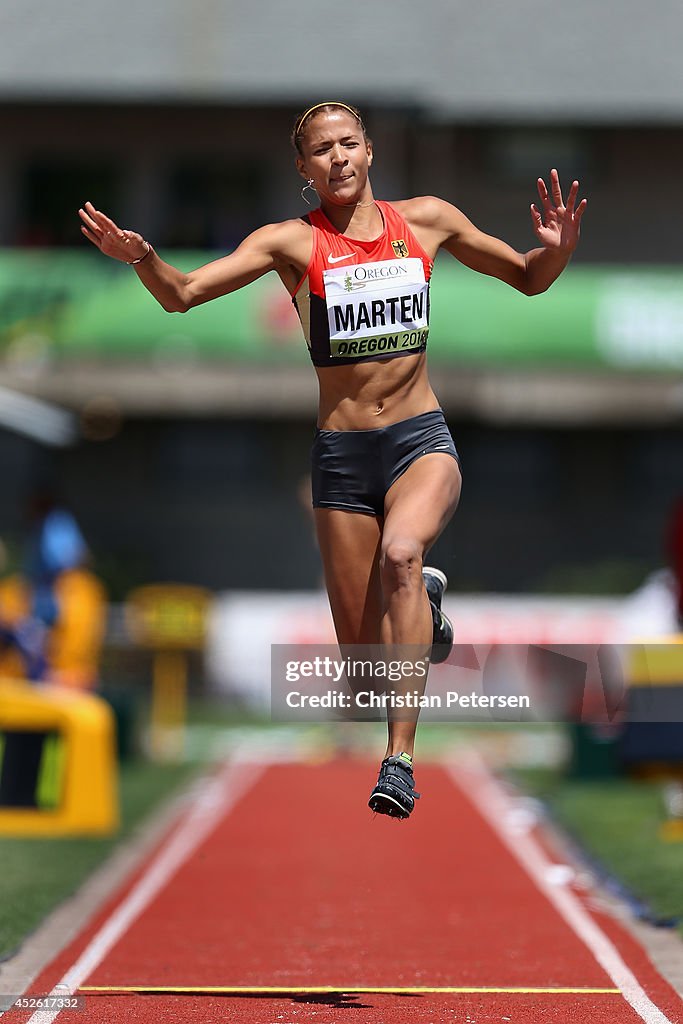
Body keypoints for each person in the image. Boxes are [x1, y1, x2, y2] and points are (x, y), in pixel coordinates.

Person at [79, 100, 586, 820]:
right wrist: (143, 258)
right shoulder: (290, 242)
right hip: (343, 458)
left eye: (348, 143)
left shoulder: (429, 219)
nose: (338, 158)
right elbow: (183, 297)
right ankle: (424, 612)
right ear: (302, 167)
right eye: (321, 149)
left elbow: (529, 278)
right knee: (364, 671)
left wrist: (557, 250)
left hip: (419, 440)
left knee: (402, 554)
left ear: (370, 151)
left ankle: (400, 761)